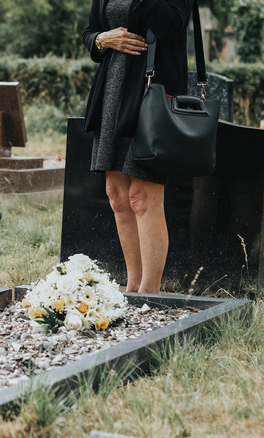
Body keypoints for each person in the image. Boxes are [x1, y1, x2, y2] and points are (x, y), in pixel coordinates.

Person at [82, 0, 195, 294]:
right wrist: (101, 40)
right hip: (112, 89)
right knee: (117, 196)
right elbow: (91, 31)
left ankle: (150, 293)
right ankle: (132, 287)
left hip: (151, 93)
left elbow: (171, 25)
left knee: (142, 195)